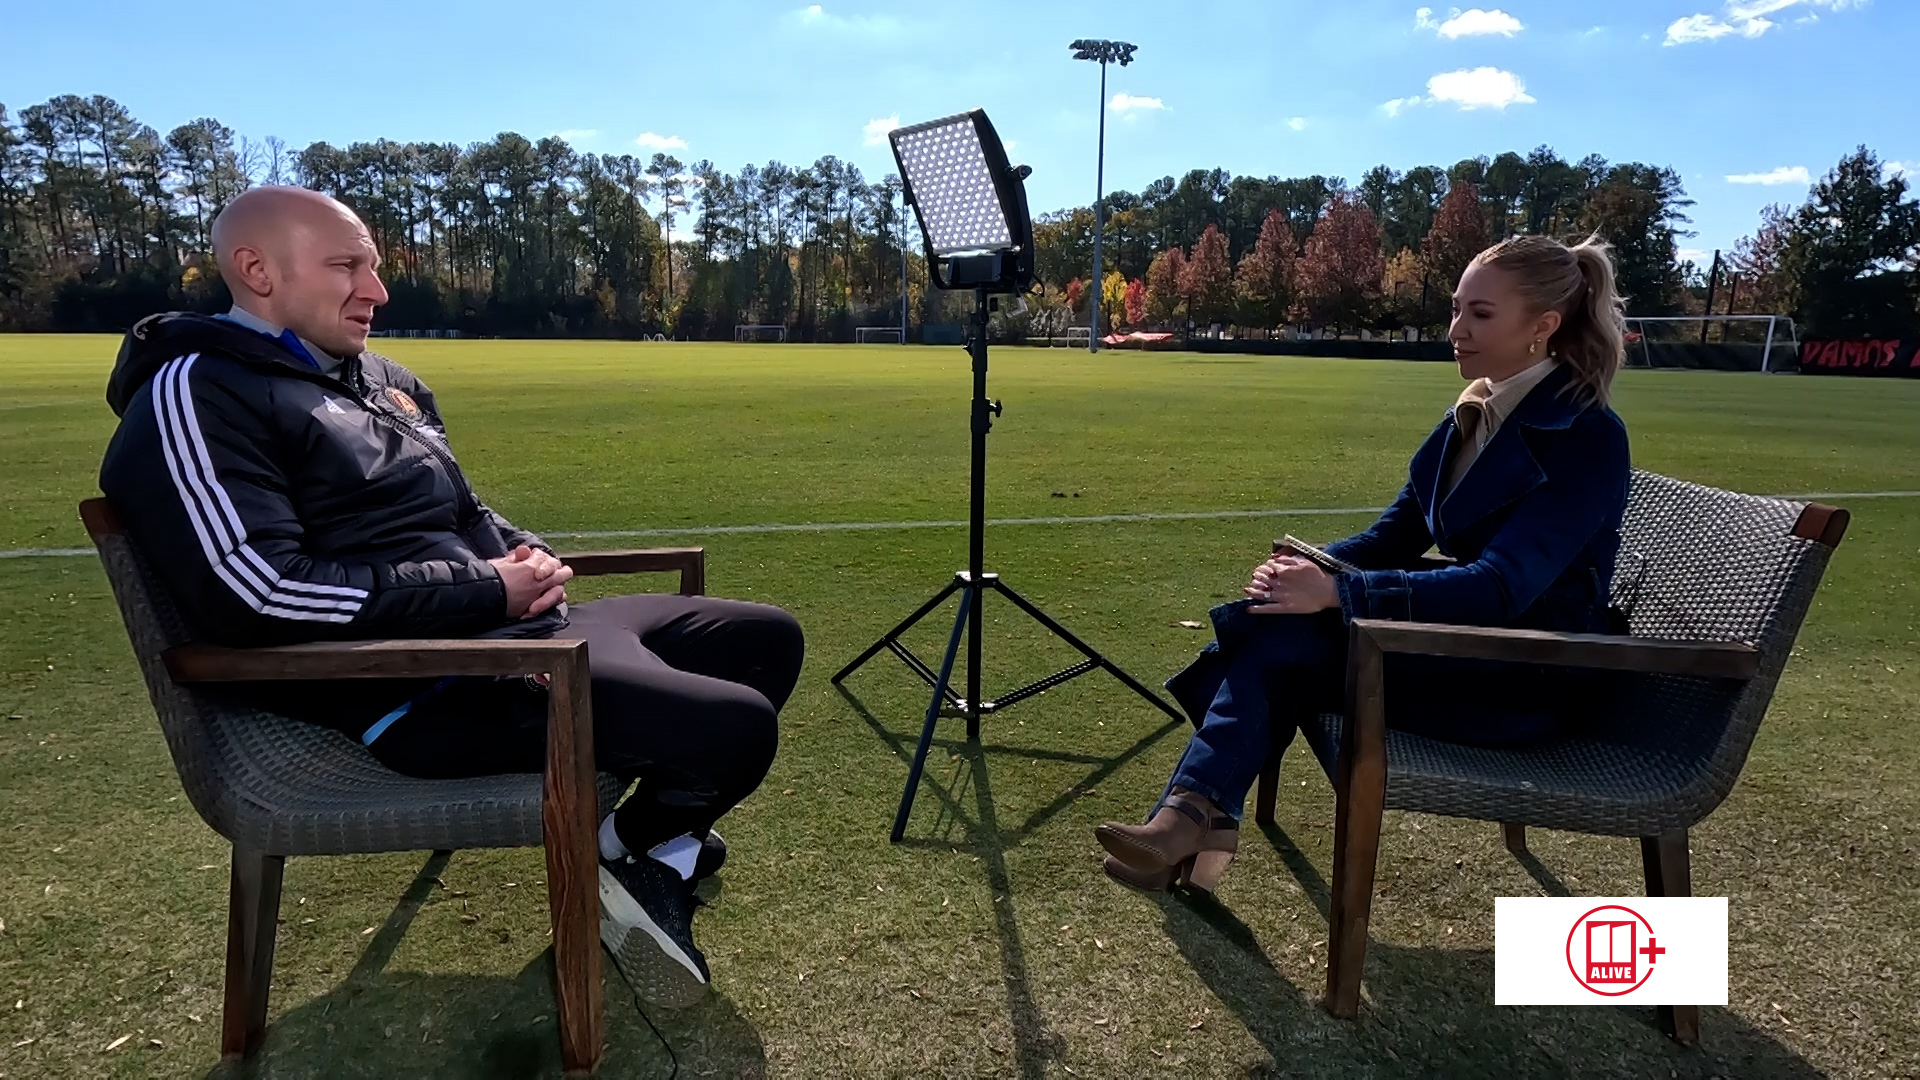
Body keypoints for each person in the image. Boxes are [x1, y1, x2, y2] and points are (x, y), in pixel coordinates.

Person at [98, 186, 802, 1007]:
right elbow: (257, 592)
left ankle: (648, 850)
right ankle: (637, 851)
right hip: (418, 683)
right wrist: (487, 591)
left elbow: (461, 510)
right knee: (735, 728)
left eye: (373, 265)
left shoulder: (379, 377)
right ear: (255, 270)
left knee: (765, 641)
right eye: (346, 266)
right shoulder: (196, 390)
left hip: (500, 630)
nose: (377, 290)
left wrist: (520, 555)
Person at [1097, 234, 1632, 894]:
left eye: (1481, 315)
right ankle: (1194, 815)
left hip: (1528, 673)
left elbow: (1500, 590)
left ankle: (1194, 817)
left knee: (1285, 637)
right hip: (1460, 647)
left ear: (1543, 326)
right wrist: (1310, 568)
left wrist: (1334, 594)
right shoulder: (1475, 408)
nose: (1456, 329)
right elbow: (1391, 538)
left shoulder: (1588, 435)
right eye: (1457, 309)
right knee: (1281, 622)